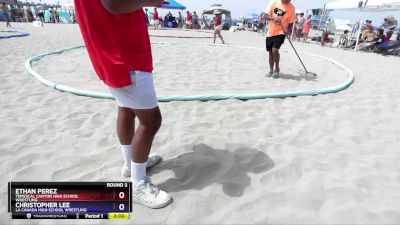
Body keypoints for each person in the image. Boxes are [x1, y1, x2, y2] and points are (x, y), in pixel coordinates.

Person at [74, 0, 172, 209]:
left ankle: (130, 165)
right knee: (151, 120)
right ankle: (138, 183)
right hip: (124, 52)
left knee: (126, 108)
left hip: (109, 49)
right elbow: (114, 5)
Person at [262, 0, 296, 78]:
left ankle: (276, 68)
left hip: (281, 32)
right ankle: (271, 70)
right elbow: (265, 16)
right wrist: (274, 18)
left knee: (275, 50)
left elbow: (291, 22)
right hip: (270, 32)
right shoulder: (274, 2)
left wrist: (289, 30)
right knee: (270, 52)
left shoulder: (292, 8)